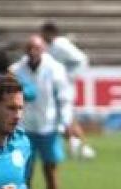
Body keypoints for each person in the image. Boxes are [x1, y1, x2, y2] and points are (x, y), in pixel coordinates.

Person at [12, 35, 73, 189]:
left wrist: (64, 123)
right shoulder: (16, 70)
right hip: (24, 127)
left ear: (43, 50)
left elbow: (64, 98)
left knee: (51, 170)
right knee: (25, 172)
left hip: (48, 126)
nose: (32, 52)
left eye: (36, 49)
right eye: (29, 48)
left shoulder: (55, 69)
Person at [39, 21, 96, 160]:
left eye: (43, 33)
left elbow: (81, 59)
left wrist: (68, 76)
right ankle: (77, 144)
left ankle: (81, 145)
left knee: (66, 116)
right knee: (64, 117)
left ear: (50, 33)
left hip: (64, 88)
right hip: (55, 87)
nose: (41, 35)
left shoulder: (60, 44)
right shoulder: (50, 46)